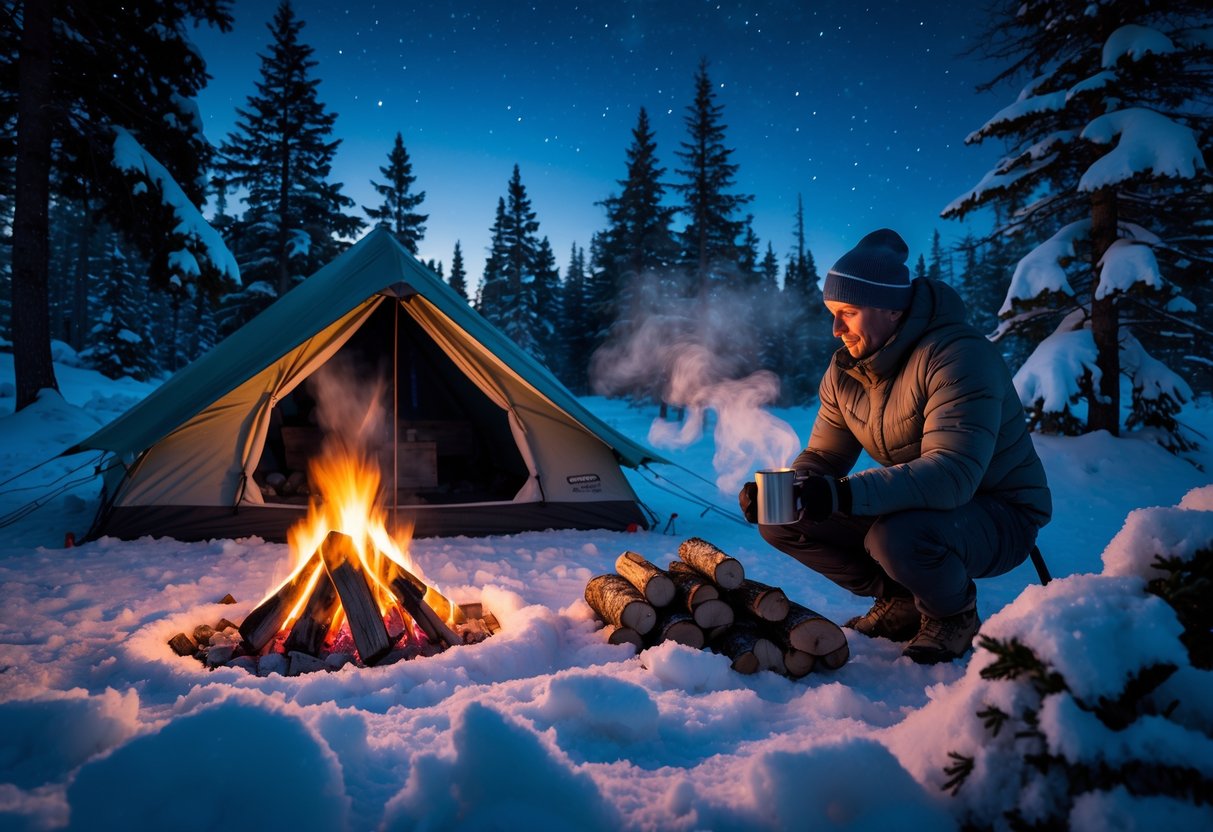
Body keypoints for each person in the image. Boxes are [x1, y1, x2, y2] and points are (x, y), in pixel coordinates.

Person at [739, 228, 1051, 664]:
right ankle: (902, 601)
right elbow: (826, 456)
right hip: (922, 506)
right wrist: (797, 487)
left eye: (847, 312)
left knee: (897, 536)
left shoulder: (958, 356)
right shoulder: (846, 370)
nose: (835, 329)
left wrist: (839, 494)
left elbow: (952, 474)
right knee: (783, 520)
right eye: (831, 312)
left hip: (999, 511)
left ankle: (953, 615)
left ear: (890, 309)